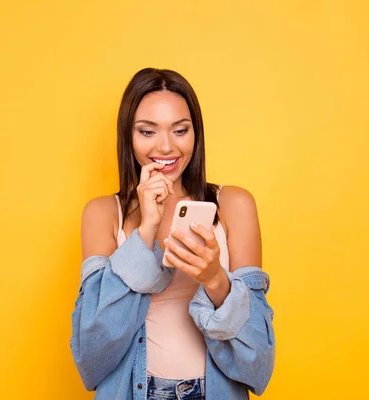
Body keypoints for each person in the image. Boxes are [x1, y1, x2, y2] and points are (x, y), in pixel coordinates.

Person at [70, 68, 275, 400]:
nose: (166, 147)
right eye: (147, 131)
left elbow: (258, 365)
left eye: (180, 130)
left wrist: (214, 280)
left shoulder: (233, 205)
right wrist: (146, 230)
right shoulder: (103, 214)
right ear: (128, 136)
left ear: (196, 134)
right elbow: (92, 355)